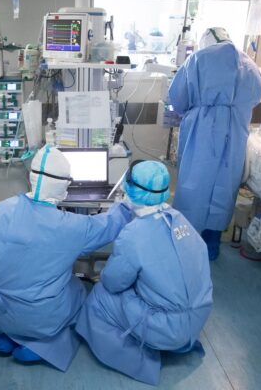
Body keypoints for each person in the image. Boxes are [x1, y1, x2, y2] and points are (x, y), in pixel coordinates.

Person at [0, 146, 132, 372]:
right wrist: (126, 203)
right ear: (65, 186)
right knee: (78, 289)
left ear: (30, 177)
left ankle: (4, 335)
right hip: (36, 315)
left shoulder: (3, 208)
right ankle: (39, 346)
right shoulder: (70, 226)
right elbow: (109, 226)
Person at [75, 160, 213, 386]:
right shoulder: (180, 219)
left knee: (100, 295)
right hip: (198, 315)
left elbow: (113, 283)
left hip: (167, 329)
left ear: (130, 189)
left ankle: (138, 357)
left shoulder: (134, 234)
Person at [168, 27, 261, 260]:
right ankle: (211, 248)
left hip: (202, 132)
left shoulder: (198, 59)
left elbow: (178, 98)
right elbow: (256, 97)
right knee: (224, 188)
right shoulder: (250, 66)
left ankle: (186, 247)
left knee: (194, 186)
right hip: (235, 134)